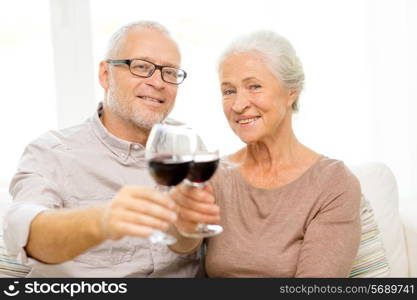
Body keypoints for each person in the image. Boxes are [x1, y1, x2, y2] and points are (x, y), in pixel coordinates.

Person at [3, 21, 219, 277]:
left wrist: (183, 226)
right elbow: (28, 234)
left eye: (170, 72)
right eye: (141, 67)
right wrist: (101, 221)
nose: (158, 82)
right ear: (106, 75)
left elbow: (187, 244)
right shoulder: (52, 152)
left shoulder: (187, 143)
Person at [171, 30, 362, 277]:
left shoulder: (334, 184)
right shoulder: (215, 174)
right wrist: (184, 221)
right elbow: (183, 246)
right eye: (229, 91)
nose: (239, 105)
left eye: (254, 86)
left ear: (291, 91)